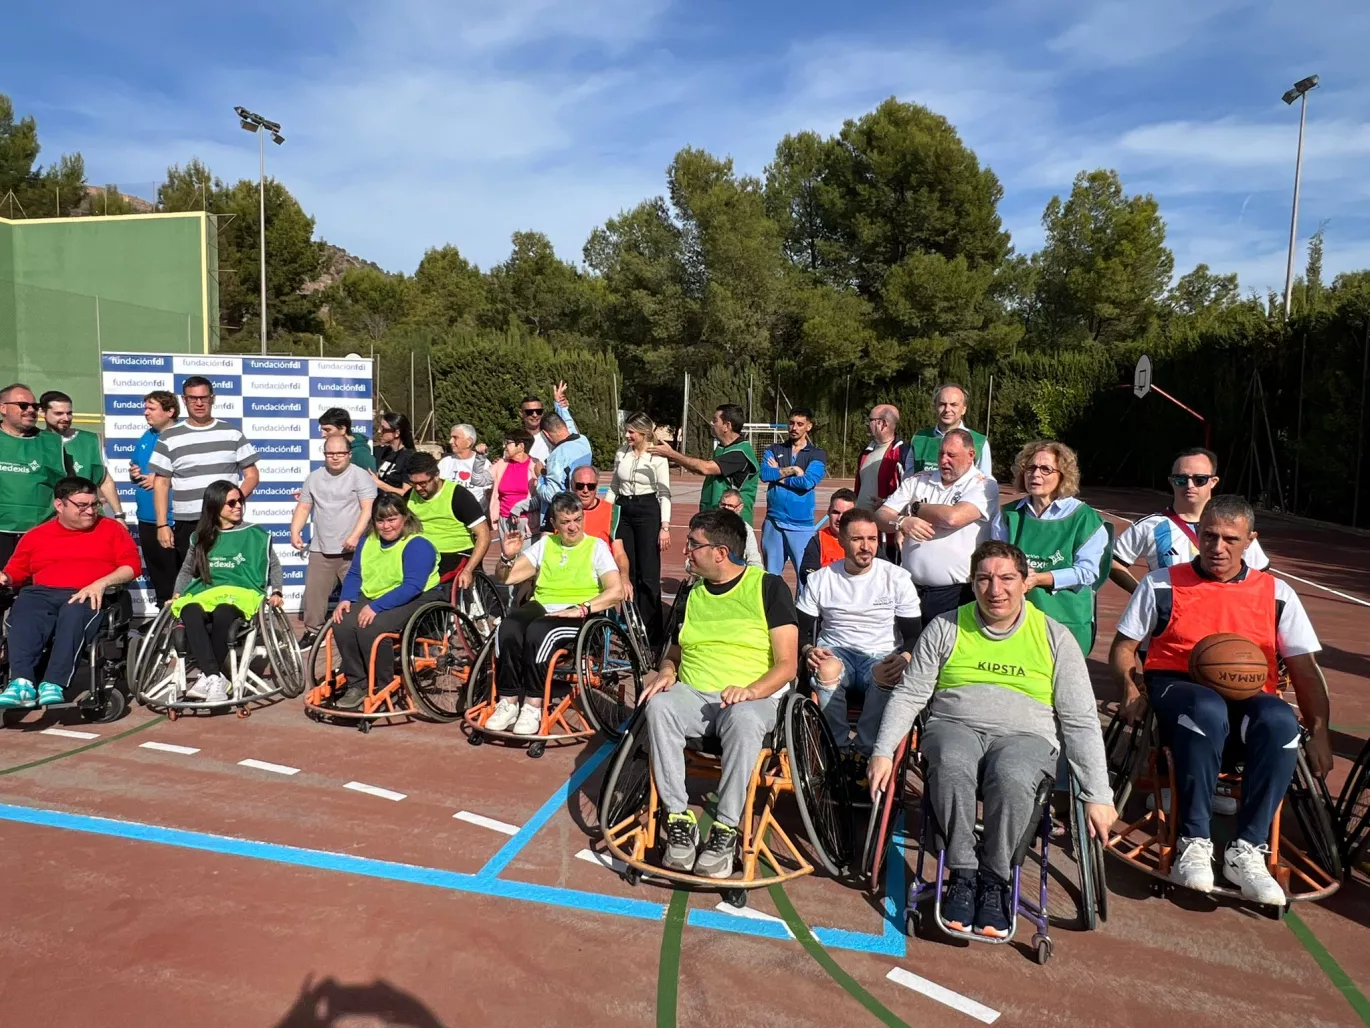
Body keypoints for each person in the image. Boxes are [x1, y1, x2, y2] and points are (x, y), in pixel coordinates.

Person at [870, 540, 1115, 937]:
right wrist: (883, 751)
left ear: (1025, 582)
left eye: (1006, 578)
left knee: (1014, 774)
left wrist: (1097, 794)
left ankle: (995, 880)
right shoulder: (946, 626)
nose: (995, 590)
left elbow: (1080, 720)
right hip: (955, 726)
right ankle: (963, 874)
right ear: (972, 583)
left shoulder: (1054, 637)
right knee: (950, 760)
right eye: (984, 579)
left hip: (1026, 736)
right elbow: (911, 694)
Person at [1108, 494, 1331, 906]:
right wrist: (1129, 687)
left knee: (1281, 722)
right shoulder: (1162, 583)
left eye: (1231, 539)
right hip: (1177, 686)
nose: (1218, 547)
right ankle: (1193, 840)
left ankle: (1247, 850)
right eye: (1209, 536)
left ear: (1250, 541)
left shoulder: (1277, 593)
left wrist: (1319, 731)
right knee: (1206, 709)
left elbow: (1304, 668)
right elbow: (1123, 647)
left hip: (1249, 692)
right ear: (1197, 534)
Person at [639, 508, 799, 879]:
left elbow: (787, 665)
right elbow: (674, 650)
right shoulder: (692, 592)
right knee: (658, 705)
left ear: (721, 552)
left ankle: (726, 827)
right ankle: (678, 819)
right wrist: (667, 671)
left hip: (754, 698)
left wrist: (750, 690)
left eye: (693, 545)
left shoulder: (768, 588)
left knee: (743, 718)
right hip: (695, 695)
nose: (686, 552)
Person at [489, 493, 624, 735]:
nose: (573, 527)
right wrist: (506, 557)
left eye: (577, 520)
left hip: (579, 612)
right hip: (543, 605)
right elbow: (507, 577)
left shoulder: (596, 547)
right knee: (508, 627)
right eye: (566, 522)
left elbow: (616, 591)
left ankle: (533, 705)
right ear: (554, 523)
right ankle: (508, 701)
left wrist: (582, 608)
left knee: (538, 632)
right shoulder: (546, 544)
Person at [0, 477, 141, 709]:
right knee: (25, 611)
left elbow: (131, 566)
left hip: (87, 592)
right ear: (59, 505)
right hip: (42, 593)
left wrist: (101, 583)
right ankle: (21, 683)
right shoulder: (36, 535)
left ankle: (54, 682)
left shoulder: (111, 529)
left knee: (74, 613)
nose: (91, 511)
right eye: (82, 505)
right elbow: (16, 570)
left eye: (94, 504)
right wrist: (5, 577)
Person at [797, 508, 921, 758]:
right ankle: (838, 751)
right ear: (841, 540)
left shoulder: (896, 578)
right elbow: (799, 629)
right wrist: (808, 650)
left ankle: (865, 752)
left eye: (872, 539)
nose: (866, 547)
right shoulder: (821, 579)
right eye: (857, 539)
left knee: (887, 670)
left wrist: (905, 657)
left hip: (880, 653)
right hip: (836, 651)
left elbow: (913, 635)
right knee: (826, 668)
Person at [993, 440, 1110, 656]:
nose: (1035, 474)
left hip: (1066, 617)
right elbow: (995, 562)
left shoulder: (1085, 518)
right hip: (1015, 617)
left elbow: (1087, 572)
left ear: (1063, 475)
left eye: (1045, 469)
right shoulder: (1008, 515)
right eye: (1030, 468)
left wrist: (1038, 578)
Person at [170, 481, 283, 704]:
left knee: (224, 610)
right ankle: (214, 677)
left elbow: (274, 566)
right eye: (231, 503)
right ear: (215, 506)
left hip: (242, 593)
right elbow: (187, 570)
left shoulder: (256, 534)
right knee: (189, 609)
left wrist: (277, 591)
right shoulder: (201, 537)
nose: (238, 506)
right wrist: (177, 593)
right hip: (207, 592)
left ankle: (208, 677)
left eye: (240, 501)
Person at [330, 495, 440, 711]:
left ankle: (383, 685)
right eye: (380, 521)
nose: (386, 526)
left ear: (404, 517)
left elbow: (413, 586)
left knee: (372, 627)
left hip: (417, 595)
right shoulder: (367, 541)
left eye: (392, 519)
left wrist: (376, 607)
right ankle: (357, 683)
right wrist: (346, 598)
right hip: (377, 592)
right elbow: (355, 573)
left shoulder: (418, 544)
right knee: (342, 623)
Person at [876, 429, 998, 624]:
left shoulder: (983, 485)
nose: (943, 460)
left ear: (970, 455)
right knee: (907, 642)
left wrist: (916, 508)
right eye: (941, 454)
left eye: (951, 455)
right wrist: (902, 522)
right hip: (910, 589)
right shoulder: (918, 480)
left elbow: (953, 518)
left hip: (956, 593)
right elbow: (881, 515)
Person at [1110, 448, 1269, 592]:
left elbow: (1259, 574)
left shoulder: (1234, 526)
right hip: (1172, 614)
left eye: (1199, 479)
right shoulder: (1150, 526)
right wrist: (1143, 594)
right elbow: (1113, 562)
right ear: (1171, 481)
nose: (1189, 485)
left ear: (1213, 482)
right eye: (1181, 479)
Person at [149, 375, 260, 570]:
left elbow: (252, 475)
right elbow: (161, 483)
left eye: (204, 398)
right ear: (184, 400)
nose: (199, 403)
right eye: (193, 398)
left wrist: (232, 502)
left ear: (212, 399)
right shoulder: (168, 437)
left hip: (226, 521)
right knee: (193, 578)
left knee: (229, 575)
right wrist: (162, 525)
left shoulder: (232, 433)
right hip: (188, 523)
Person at [291, 435, 377, 652]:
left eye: (340, 453)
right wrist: (295, 531)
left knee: (359, 595)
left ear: (349, 454)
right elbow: (304, 507)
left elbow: (368, 508)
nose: (335, 457)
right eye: (330, 453)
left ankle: (360, 633)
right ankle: (313, 633)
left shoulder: (360, 476)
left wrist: (355, 536)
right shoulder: (314, 477)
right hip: (321, 547)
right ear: (324, 454)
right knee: (314, 596)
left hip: (354, 549)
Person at [605, 411, 672, 644]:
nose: (627, 435)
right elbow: (614, 486)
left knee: (649, 573)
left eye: (631, 432)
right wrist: (605, 514)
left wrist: (665, 526)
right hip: (624, 509)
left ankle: (651, 633)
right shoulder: (621, 453)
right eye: (626, 431)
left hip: (648, 510)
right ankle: (630, 625)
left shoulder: (657, 457)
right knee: (627, 570)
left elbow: (664, 493)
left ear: (643, 433)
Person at [650, 404, 760, 525]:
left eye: (715, 420)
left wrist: (672, 454)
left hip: (732, 522)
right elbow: (698, 469)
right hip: (714, 517)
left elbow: (705, 468)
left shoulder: (740, 453)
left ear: (727, 426)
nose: (711, 423)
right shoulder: (723, 448)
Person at [0, 383, 67, 569]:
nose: (30, 410)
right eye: (23, 405)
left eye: (35, 406)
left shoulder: (52, 443)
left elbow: (65, 488)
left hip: (39, 533)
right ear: (3, 408)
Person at [758, 408, 827, 576]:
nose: (794, 428)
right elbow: (765, 474)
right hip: (774, 522)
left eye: (800, 424)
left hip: (801, 524)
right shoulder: (774, 449)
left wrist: (778, 475)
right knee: (771, 576)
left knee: (806, 575)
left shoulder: (817, 454)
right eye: (791, 423)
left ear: (808, 427)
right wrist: (793, 469)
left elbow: (807, 482)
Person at [405, 451, 491, 583]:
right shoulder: (409, 497)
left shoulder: (459, 495)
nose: (418, 488)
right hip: (421, 555)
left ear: (436, 476)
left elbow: (484, 535)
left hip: (454, 555)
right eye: (413, 483)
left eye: (423, 483)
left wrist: (468, 570)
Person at [129, 390, 181, 606]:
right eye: (145, 408)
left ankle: (183, 618)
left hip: (174, 519)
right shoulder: (147, 435)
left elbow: (196, 475)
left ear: (170, 411)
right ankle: (163, 614)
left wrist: (163, 480)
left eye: (151, 408)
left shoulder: (182, 436)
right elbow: (136, 465)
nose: (146, 412)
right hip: (146, 517)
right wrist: (134, 473)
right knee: (158, 573)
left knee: (179, 573)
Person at [39, 390, 124, 518]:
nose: (66, 418)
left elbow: (105, 481)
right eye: (58, 413)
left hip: (87, 516)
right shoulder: (35, 441)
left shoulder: (90, 441)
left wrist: (119, 515)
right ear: (42, 412)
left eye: (69, 413)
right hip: (48, 519)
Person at [908, 384, 993, 478]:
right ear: (935, 407)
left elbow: (985, 481)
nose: (947, 409)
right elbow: (908, 478)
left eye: (954, 405)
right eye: (942, 404)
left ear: (964, 409)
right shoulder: (919, 438)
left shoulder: (979, 442)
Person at [570, 465, 631, 589]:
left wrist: (624, 577)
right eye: (580, 486)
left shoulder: (611, 512)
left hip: (599, 578)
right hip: (567, 574)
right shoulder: (559, 511)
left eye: (591, 486)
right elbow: (545, 545)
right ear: (572, 485)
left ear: (596, 486)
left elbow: (619, 553)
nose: (585, 490)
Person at [798, 489, 857, 590]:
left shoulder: (865, 539)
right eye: (836, 512)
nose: (840, 518)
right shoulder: (818, 540)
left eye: (846, 514)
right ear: (828, 511)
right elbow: (807, 575)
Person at [535, 407, 593, 507]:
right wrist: (560, 407)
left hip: (566, 509)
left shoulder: (557, 457)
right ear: (564, 426)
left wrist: (540, 477)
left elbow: (551, 496)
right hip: (583, 505)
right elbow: (570, 424)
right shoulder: (583, 440)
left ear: (546, 434)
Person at [854, 404, 908, 511]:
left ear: (883, 423)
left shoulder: (902, 453)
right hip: (861, 518)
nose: (867, 424)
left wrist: (886, 503)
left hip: (885, 519)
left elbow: (907, 491)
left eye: (871, 420)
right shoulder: (866, 452)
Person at [489, 428, 541, 535]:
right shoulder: (501, 464)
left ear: (521, 446)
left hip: (527, 523)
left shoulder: (536, 466)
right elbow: (478, 480)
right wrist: (480, 457)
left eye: (508, 443)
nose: (504, 447)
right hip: (504, 521)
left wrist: (519, 508)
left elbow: (542, 497)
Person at [521, 382, 579, 464]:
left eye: (538, 411)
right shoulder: (515, 439)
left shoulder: (553, 435)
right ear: (521, 413)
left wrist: (562, 408)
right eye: (529, 412)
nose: (535, 415)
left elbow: (575, 438)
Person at [438, 424, 494, 507]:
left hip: (475, 510)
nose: (450, 441)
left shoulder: (483, 463)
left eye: (455, 437)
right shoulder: (445, 462)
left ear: (469, 442)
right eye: (451, 437)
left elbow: (489, 491)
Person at [318, 407, 376, 472]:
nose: (323, 435)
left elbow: (371, 478)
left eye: (327, 430)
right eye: (322, 430)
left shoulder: (361, 453)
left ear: (343, 429)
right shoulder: (333, 451)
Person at [372, 411, 416, 497]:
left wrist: (378, 483)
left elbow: (406, 493)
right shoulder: (382, 451)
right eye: (380, 427)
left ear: (397, 433)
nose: (379, 431)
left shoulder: (409, 458)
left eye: (384, 429)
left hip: (396, 503)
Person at [718, 490, 763, 568]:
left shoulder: (746, 529)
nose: (726, 508)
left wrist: (756, 572)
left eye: (730, 506)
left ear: (740, 507)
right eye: (723, 505)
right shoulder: (709, 525)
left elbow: (753, 557)